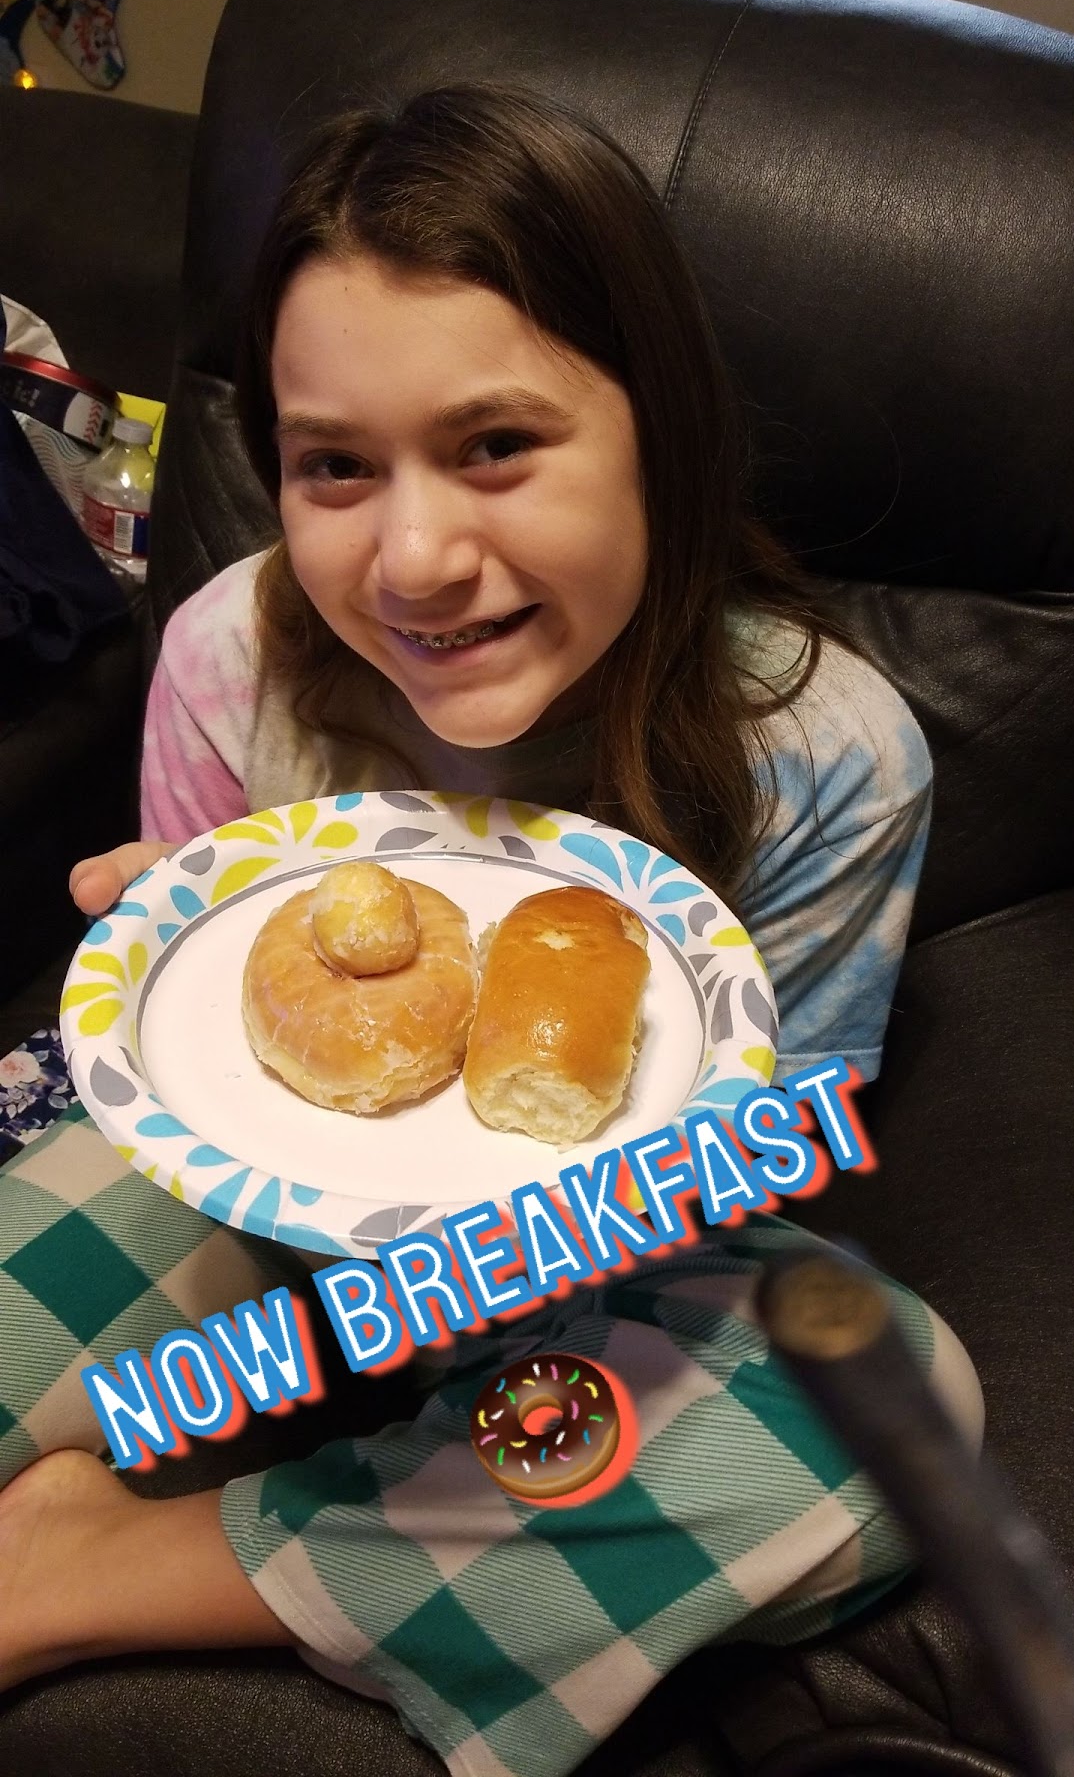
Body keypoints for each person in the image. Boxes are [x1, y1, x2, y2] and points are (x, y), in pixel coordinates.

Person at [0, 86, 983, 1774]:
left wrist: (425, 1297)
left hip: (585, 1272)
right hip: (258, 1231)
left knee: (888, 1402)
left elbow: (745, 1161)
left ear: (662, 434)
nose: (415, 560)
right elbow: (178, 1108)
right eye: (334, 465)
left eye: (496, 446)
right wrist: (166, 958)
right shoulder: (234, 653)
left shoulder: (829, 756)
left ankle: (96, 1568)